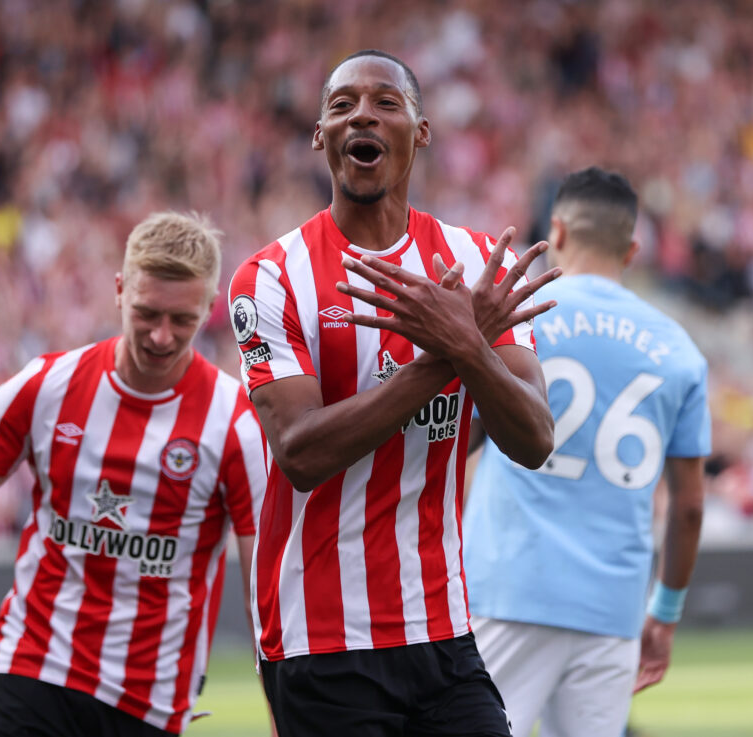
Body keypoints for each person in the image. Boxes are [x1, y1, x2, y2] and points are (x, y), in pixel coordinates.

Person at [0, 211, 268, 736]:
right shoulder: (46, 386)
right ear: (120, 291)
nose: (162, 336)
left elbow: (261, 590)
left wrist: (282, 711)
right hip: (32, 671)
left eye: (182, 320)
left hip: (147, 702)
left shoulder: (235, 421)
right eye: (147, 313)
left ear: (210, 309)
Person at [227, 49, 560, 737]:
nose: (362, 116)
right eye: (343, 105)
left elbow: (533, 438)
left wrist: (466, 345)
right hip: (322, 642)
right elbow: (300, 450)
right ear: (320, 135)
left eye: (384, 101)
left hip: (443, 630)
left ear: (421, 130)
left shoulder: (473, 263)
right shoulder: (271, 278)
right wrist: (453, 353)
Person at [462, 167, 711, 737]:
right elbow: (690, 506)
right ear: (632, 249)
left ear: (558, 229)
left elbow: (464, 441)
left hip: (509, 586)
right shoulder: (678, 348)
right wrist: (664, 615)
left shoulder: (516, 316)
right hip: (612, 606)